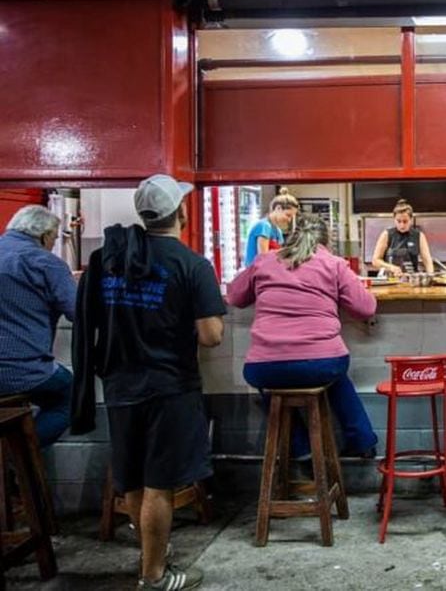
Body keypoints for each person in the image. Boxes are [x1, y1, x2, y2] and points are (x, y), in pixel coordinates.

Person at [71, 174, 225, 590]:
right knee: (159, 484)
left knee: (134, 479)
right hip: (170, 387)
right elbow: (210, 335)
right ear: (182, 212)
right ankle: (153, 575)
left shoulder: (108, 259)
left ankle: (149, 554)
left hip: (120, 385)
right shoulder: (191, 264)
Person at [227, 213, 378, 460]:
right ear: (326, 241)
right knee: (334, 374)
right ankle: (362, 441)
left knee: (270, 387)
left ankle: (300, 447)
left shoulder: (264, 261)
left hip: (264, 367)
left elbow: (234, 297)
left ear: (291, 237)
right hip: (323, 363)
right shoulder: (333, 263)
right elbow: (366, 308)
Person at [0, 205, 76, 447]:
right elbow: (78, 313)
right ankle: (19, 458)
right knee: (73, 396)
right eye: (54, 239)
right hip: (22, 372)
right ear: (44, 236)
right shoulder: (46, 263)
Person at [371, 198, 434, 277]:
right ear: (394, 220)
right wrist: (391, 267)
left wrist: (431, 276)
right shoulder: (386, 235)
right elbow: (375, 260)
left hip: (412, 280)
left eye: (405, 221)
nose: (402, 225)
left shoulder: (419, 236)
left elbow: (427, 261)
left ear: (411, 219)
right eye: (399, 221)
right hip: (390, 280)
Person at [244, 188, 299, 267]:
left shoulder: (278, 231)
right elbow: (264, 259)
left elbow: (279, 255)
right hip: (255, 274)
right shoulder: (264, 226)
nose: (289, 220)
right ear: (278, 208)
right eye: (288, 215)